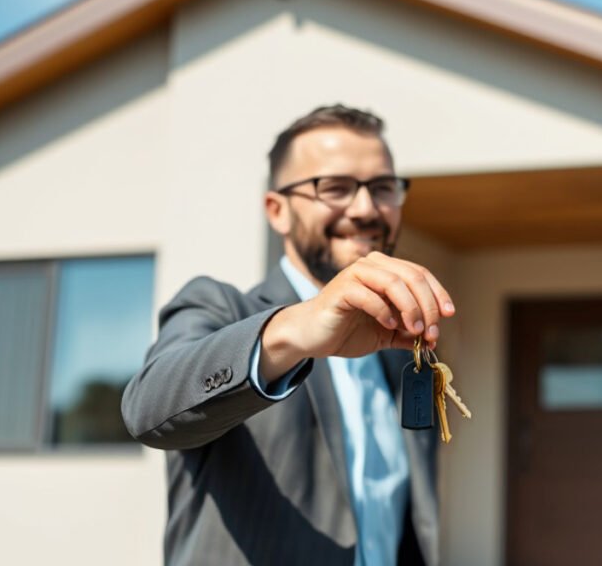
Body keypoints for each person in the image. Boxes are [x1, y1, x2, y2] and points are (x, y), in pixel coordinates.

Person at [122, 104, 454, 565]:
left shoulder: (403, 353)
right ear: (277, 211)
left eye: (382, 188)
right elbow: (147, 408)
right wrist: (295, 330)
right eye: (334, 188)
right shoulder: (219, 308)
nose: (365, 209)